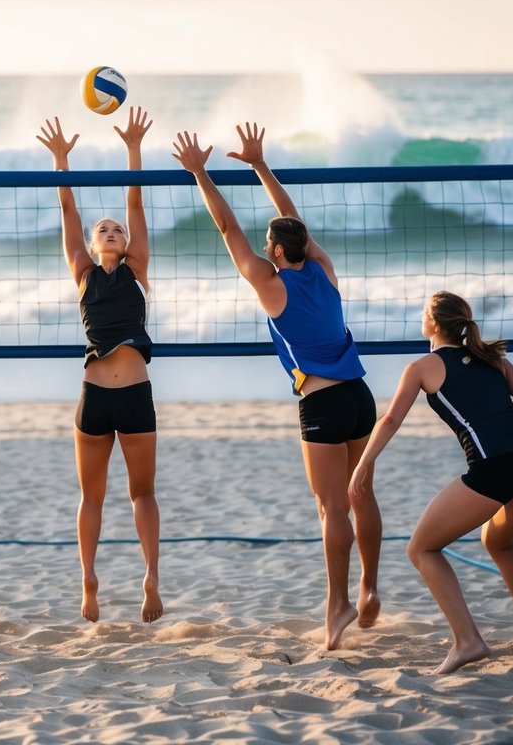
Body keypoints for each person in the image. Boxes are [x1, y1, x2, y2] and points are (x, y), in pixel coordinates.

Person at [172, 123, 380, 650]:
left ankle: (337, 607)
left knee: (332, 507)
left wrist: (200, 172)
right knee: (361, 496)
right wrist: (261, 167)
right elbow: (296, 228)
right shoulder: (325, 270)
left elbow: (226, 228)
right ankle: (369, 587)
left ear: (279, 254)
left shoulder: (271, 284)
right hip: (360, 396)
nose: (263, 247)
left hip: (323, 402)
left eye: (269, 243)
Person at [348, 291, 513, 673]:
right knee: (499, 541)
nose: (420, 318)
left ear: (435, 325)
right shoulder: (493, 358)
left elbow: (389, 421)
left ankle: (468, 641)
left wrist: (363, 463)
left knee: (421, 549)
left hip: (495, 467)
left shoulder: (423, 366)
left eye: (424, 313)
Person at [36, 107, 163, 624]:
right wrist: (62, 161)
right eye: (103, 230)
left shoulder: (137, 267)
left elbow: (135, 199)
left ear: (127, 243)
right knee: (92, 496)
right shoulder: (83, 272)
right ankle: (88, 579)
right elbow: (68, 212)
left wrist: (133, 149)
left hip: (130, 394)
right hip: (99, 397)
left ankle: (150, 576)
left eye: (116, 230)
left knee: (142, 493)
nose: (111, 231)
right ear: (92, 245)